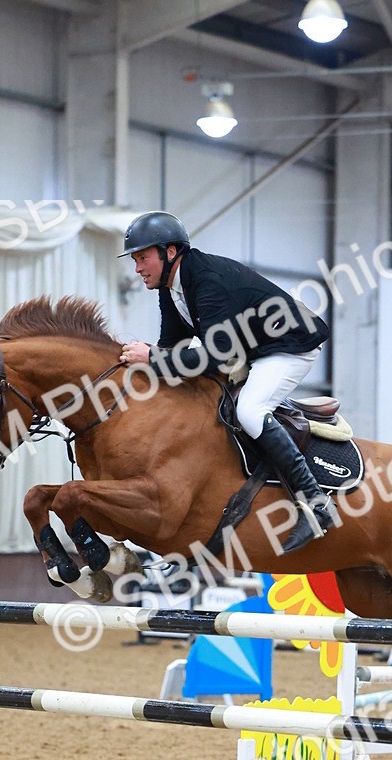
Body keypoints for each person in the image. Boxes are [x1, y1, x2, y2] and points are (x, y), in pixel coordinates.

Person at [119, 211, 336, 554]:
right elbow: (172, 347)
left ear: (170, 252)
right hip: (252, 350)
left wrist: (152, 359)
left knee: (250, 410)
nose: (138, 268)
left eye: (143, 257)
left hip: (290, 346)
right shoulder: (170, 287)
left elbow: (214, 356)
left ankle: (316, 504)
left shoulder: (207, 280)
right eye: (134, 260)